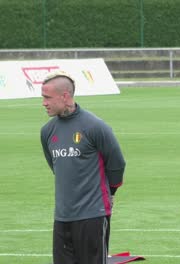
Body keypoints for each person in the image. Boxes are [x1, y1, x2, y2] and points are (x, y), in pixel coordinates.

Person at [40, 71, 126, 264]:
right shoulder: (47, 131)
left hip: (92, 215)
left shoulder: (95, 126)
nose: (44, 103)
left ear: (65, 96)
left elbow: (117, 163)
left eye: (47, 98)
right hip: (62, 217)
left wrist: (110, 193)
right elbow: (56, 167)